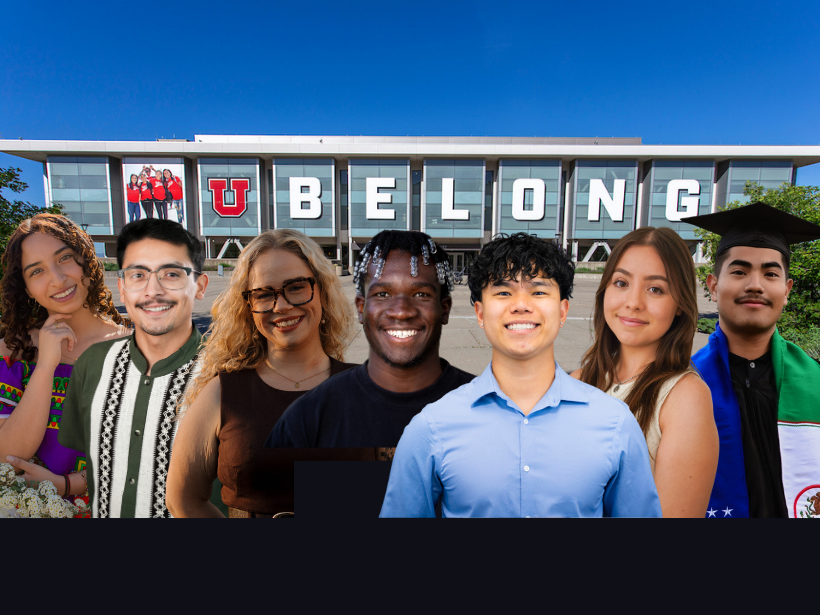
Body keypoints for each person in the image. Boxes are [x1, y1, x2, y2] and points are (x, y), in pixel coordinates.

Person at [380, 233, 661, 517]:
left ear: (563, 311)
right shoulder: (431, 427)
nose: (521, 305)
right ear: (479, 313)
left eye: (539, 292)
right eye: (503, 292)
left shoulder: (615, 424)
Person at [166, 229, 367, 519]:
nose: (281, 305)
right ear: (248, 307)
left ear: (321, 290)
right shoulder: (222, 393)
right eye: (263, 294)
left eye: (296, 287)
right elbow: (182, 500)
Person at [265, 230, 474, 450]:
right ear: (361, 308)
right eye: (382, 294)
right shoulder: (308, 419)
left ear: (445, 309)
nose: (401, 312)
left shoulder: (492, 410)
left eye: (421, 294)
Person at [58, 218, 209, 517]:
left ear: (200, 286)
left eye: (171, 273)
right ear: (123, 288)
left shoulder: (227, 373)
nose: (153, 290)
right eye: (138, 274)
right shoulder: (91, 364)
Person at [572, 227, 718, 517]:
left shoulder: (684, 397)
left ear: (679, 304)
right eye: (621, 282)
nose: (634, 302)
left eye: (655, 289)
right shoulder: (576, 382)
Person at [688, 201, 820, 518]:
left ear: (786, 290)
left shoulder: (815, 382)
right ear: (713, 285)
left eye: (770, 273)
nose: (755, 285)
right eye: (739, 271)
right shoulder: (684, 384)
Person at [0, 214, 129, 510]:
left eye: (65, 258)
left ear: (86, 260)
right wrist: (45, 366)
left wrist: (69, 484)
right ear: (26, 287)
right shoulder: (10, 353)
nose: (57, 279)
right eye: (37, 271)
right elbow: (8, 454)